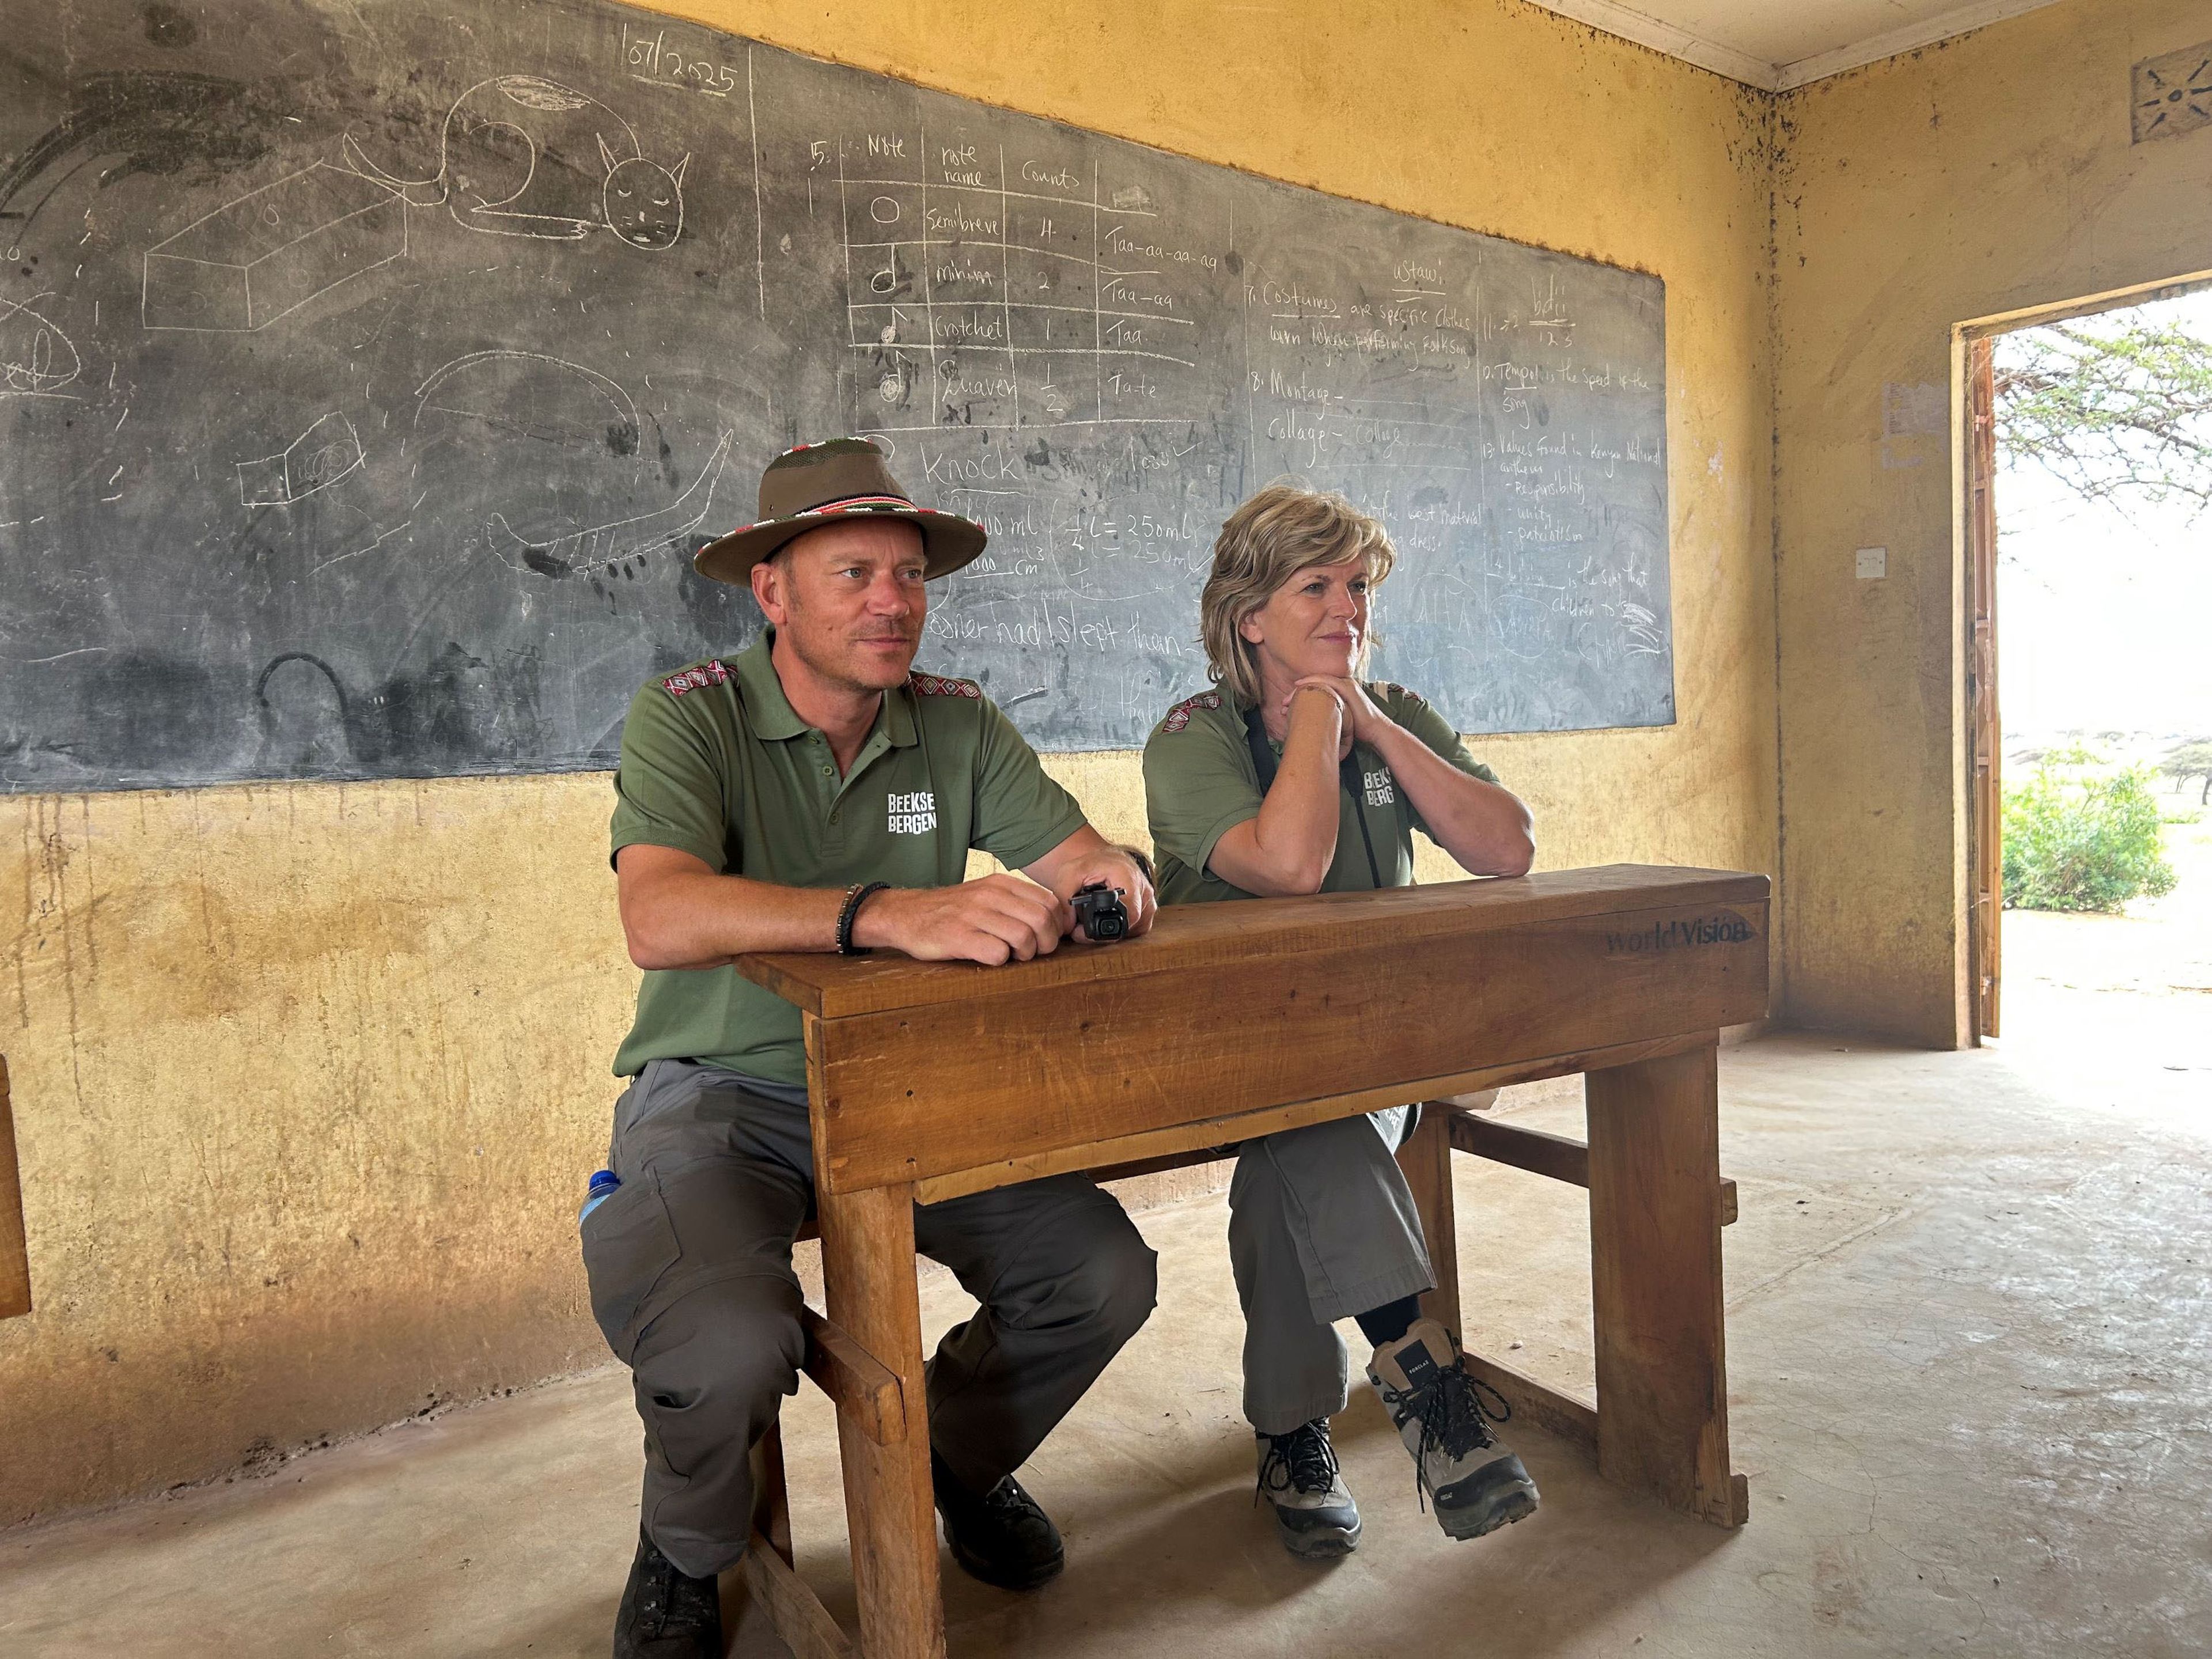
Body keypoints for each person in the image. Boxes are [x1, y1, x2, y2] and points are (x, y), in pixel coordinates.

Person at [584, 437, 1160, 1659]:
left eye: (908, 576)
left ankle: (955, 1457)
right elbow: (660, 914)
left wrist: (1105, 880)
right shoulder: (691, 717)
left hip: (915, 1089)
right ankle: (688, 1546)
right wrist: (887, 913)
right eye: (853, 574)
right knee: (729, 1342)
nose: (893, 603)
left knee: (1100, 1277)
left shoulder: (956, 723)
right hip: (724, 1093)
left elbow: (1074, 856)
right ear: (773, 593)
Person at [1141, 480, 1539, 1559]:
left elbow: (1507, 849)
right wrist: (1320, 714)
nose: (1346, 609)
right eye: (1314, 586)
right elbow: (1289, 866)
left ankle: (1295, 1435)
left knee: (1295, 1160)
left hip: (1380, 1053)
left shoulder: (1396, 710)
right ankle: (1425, 1384)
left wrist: (1377, 729)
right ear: (1248, 615)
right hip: (1223, 1053)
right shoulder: (1191, 739)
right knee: (1300, 1118)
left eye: (1357, 587)